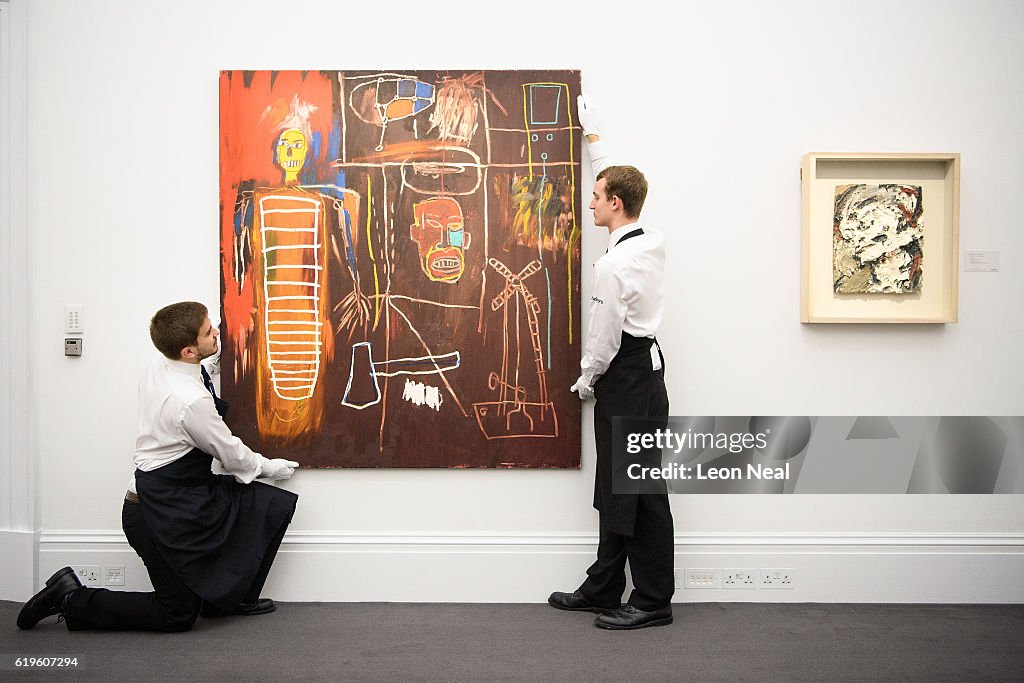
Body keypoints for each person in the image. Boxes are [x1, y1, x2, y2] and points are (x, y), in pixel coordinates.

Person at [18, 301, 300, 632]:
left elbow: (197, 374)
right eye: (210, 332)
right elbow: (232, 455)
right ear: (188, 351)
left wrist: (219, 351)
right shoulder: (189, 403)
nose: (217, 332)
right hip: (153, 513)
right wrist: (271, 467)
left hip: (185, 495)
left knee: (268, 505)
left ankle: (227, 599)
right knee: (176, 614)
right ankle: (70, 598)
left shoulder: (160, 361)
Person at [547, 95, 674, 630]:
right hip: (646, 374)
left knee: (638, 490)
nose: (590, 202)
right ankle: (604, 586)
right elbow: (619, 181)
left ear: (616, 203)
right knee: (620, 485)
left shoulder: (614, 266)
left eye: (597, 196)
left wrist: (585, 378)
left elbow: (601, 339)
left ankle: (651, 601)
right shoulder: (648, 238)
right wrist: (596, 143)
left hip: (623, 376)